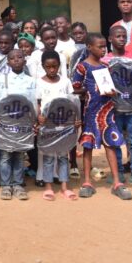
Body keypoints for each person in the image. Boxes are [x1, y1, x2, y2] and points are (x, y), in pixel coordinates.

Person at [72, 33, 132, 200]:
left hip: (108, 110)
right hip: (91, 111)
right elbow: (75, 87)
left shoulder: (106, 66)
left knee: (110, 144)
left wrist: (111, 91)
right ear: (89, 47)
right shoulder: (82, 67)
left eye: (105, 46)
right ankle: (87, 182)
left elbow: (111, 85)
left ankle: (117, 182)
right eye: (100, 47)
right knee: (88, 145)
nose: (104, 49)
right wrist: (90, 90)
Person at [0, 50, 35, 201]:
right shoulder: (1, 79)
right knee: (5, 154)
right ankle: (6, 185)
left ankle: (17, 184)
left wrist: (34, 120)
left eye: (19, 57)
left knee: (19, 154)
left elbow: (33, 103)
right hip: (5, 123)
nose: (16, 60)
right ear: (8, 62)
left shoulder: (30, 81)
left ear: (25, 61)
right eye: (12, 58)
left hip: (22, 123)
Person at [37, 50, 79, 200]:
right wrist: (39, 116)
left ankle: (64, 187)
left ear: (59, 65)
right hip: (48, 125)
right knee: (48, 157)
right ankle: (48, 187)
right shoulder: (39, 82)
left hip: (64, 124)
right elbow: (37, 103)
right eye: (48, 67)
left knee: (63, 156)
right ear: (43, 66)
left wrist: (75, 118)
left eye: (54, 66)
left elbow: (72, 101)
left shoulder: (65, 82)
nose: (52, 70)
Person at [105, 25, 132, 186]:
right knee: (115, 141)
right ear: (110, 39)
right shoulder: (105, 60)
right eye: (118, 36)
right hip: (114, 110)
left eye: (124, 36)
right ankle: (118, 172)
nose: (121, 39)